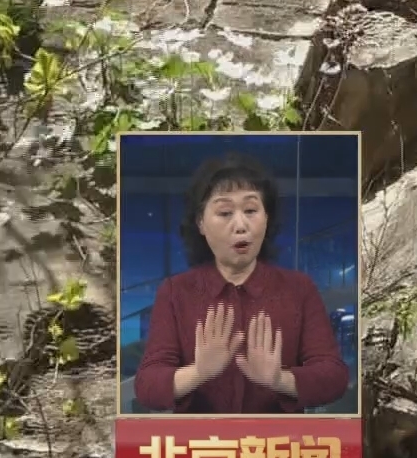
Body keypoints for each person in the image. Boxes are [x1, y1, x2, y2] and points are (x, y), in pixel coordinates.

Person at [132, 152, 351, 414]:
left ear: (266, 218)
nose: (241, 225)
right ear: (201, 223)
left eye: (251, 210)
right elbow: (147, 386)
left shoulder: (299, 289)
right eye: (225, 212)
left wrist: (280, 380)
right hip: (204, 449)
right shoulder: (175, 292)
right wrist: (199, 372)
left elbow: (334, 377)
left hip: (276, 449)